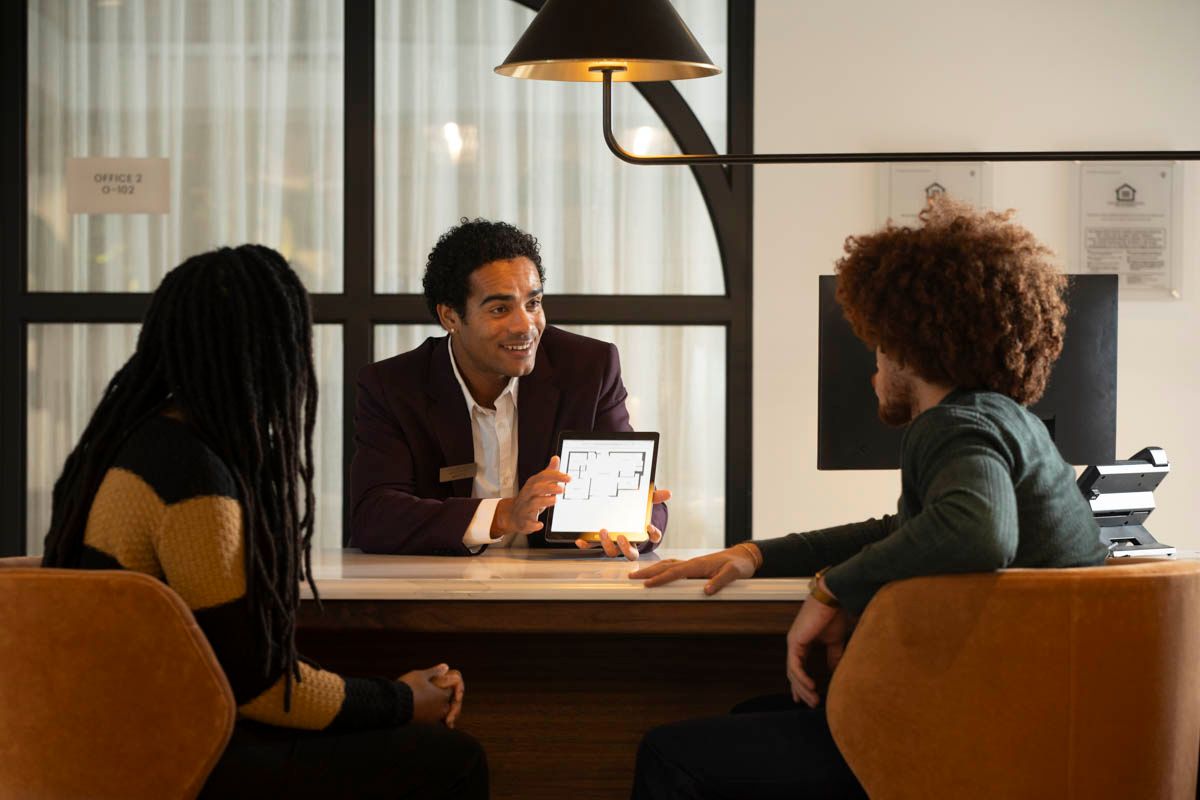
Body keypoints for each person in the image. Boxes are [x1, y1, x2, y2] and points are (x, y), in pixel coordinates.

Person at [627, 197, 1109, 799]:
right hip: (1031, 730)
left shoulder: (953, 423)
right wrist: (755, 554)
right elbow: (902, 530)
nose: (873, 370)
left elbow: (978, 529)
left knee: (670, 756)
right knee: (752, 716)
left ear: (908, 348)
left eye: (877, 346)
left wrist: (832, 588)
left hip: (973, 738)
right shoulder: (1009, 421)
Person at [41, 245, 488, 799]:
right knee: (453, 760)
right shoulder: (191, 474)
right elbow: (259, 688)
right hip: (178, 756)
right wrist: (402, 700)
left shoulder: (145, 437)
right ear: (272, 351)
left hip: (117, 737)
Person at [350, 218, 669, 560]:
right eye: (500, 309)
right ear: (450, 317)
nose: (525, 326)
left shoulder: (589, 369)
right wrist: (504, 514)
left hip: (556, 583)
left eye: (533, 303)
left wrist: (635, 525)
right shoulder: (393, 386)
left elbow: (641, 500)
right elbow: (375, 515)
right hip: (434, 584)